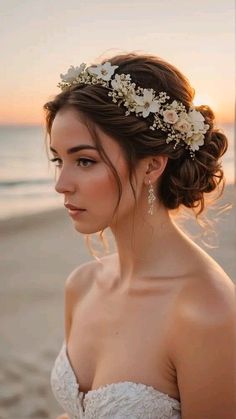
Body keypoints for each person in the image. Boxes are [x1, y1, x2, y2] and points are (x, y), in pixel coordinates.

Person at [43, 52, 236, 418]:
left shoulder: (205, 311)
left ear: (151, 165)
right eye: (58, 160)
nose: (61, 184)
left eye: (84, 160)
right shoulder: (81, 285)